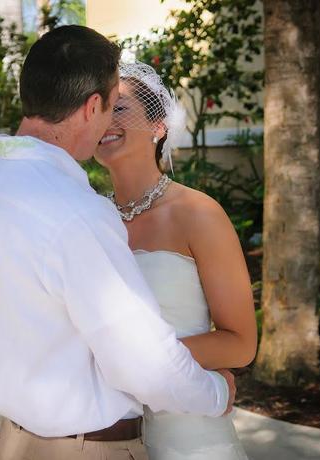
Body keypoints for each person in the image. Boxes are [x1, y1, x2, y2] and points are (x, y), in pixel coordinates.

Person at [0, 26, 235, 460]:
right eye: (109, 108)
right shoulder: (78, 213)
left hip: (15, 441)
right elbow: (144, 364)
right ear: (92, 105)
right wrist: (216, 393)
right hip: (84, 448)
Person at [95, 61, 257, 460]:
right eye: (99, 108)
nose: (105, 120)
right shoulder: (91, 217)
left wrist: (139, 360)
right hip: (108, 437)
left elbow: (240, 344)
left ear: (158, 126)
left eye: (120, 107)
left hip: (191, 438)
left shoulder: (199, 214)